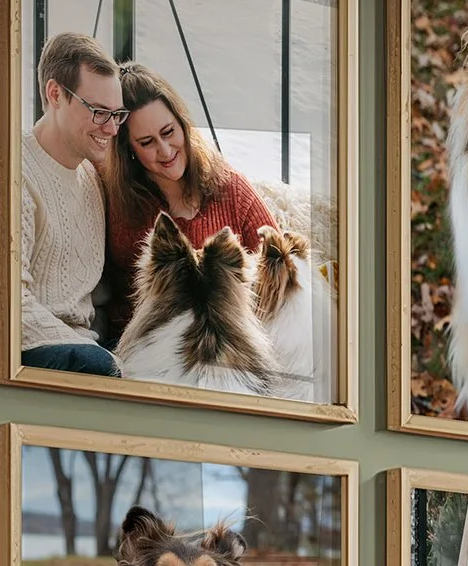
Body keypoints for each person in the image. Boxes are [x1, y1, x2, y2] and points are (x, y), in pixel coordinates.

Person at [102, 64, 280, 340]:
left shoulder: (230, 188)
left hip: (224, 346)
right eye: (147, 142)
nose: (165, 150)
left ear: (183, 124)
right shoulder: (115, 197)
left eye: (169, 131)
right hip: (141, 347)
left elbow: (279, 265)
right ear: (130, 151)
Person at [20, 32, 122, 378]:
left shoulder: (93, 177)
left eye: (116, 114)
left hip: (90, 349)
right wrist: (103, 359)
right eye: (97, 112)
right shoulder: (14, 170)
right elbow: (10, 304)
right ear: (55, 94)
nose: (110, 128)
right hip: (34, 349)